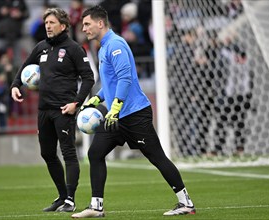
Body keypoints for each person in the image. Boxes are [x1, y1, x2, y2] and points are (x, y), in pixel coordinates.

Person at [71, 5, 195, 218]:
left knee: (156, 157)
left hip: (135, 114)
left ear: (100, 23)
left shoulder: (116, 44)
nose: (85, 29)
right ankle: (96, 206)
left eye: (87, 24)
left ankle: (186, 203)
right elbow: (111, 82)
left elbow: (125, 78)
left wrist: (116, 106)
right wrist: (96, 98)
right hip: (116, 116)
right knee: (95, 153)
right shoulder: (103, 48)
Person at [10, 7, 94, 212]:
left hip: (64, 109)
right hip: (44, 110)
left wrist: (76, 103)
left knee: (68, 153)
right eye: (46, 23)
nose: (48, 26)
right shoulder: (41, 47)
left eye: (52, 23)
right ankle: (62, 196)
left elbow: (89, 78)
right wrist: (15, 85)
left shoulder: (74, 49)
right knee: (47, 153)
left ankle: (71, 200)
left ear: (63, 26)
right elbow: (25, 66)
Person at [0, 0, 29, 67]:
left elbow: (27, 14)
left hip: (16, 35)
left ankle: (17, 76)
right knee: (1, 61)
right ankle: (1, 76)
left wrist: (20, 14)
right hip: (1, 35)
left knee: (18, 61)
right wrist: (0, 12)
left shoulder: (20, 1)